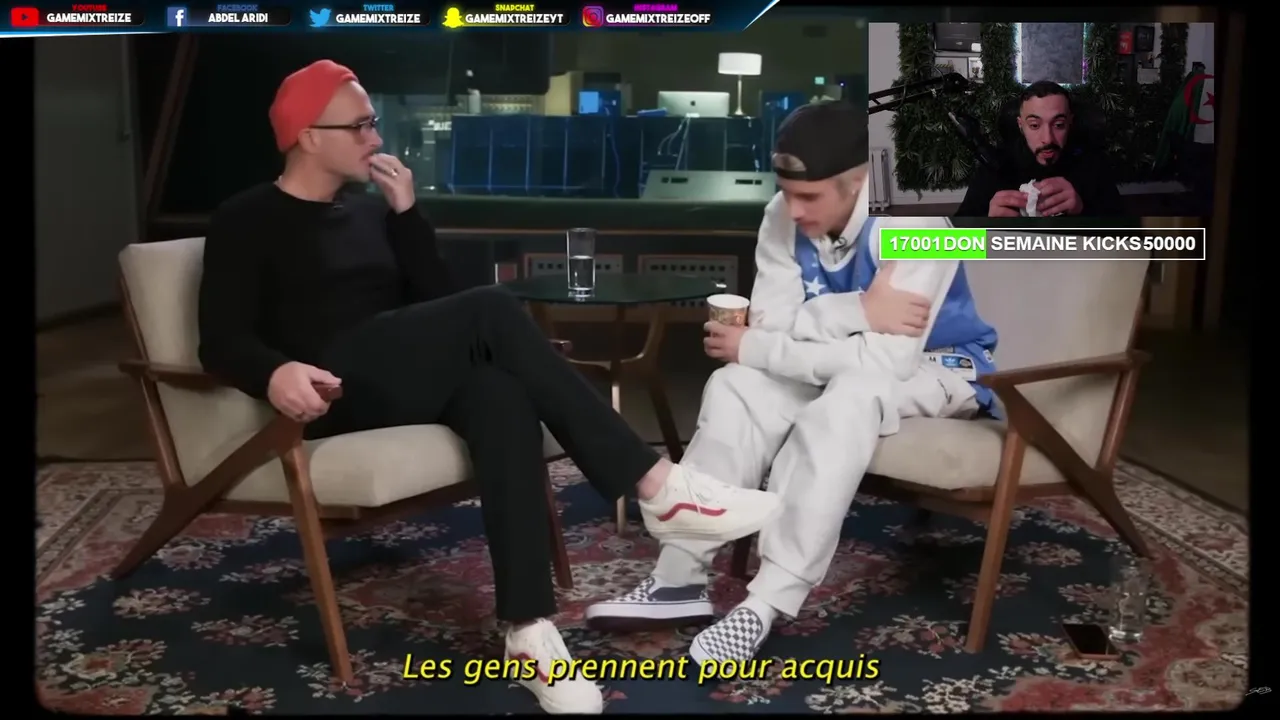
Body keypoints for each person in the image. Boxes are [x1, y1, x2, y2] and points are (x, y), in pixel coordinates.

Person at [196, 60, 782, 714]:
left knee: (499, 394)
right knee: (492, 308)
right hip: (331, 392)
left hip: (397, 378)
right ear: (307, 135)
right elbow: (219, 341)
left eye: (373, 122)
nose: (376, 137)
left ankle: (529, 631)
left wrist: (406, 217)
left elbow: (437, 307)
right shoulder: (245, 218)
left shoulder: (370, 213)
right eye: (359, 126)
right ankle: (656, 486)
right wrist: (275, 371)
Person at [585, 101, 1000, 666]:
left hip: (938, 365)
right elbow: (773, 326)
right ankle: (678, 578)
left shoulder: (921, 223)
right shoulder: (782, 213)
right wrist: (855, 309)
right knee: (736, 385)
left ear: (858, 183)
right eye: (787, 192)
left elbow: (883, 362)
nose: (794, 209)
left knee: (848, 399)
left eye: (810, 197)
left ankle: (767, 602)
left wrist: (761, 344)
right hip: (838, 357)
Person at [955, 80, 1124, 218]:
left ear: (1070, 122)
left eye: (1059, 125)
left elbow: (1124, 235)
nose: (1048, 139)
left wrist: (1083, 210)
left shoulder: (1092, 163)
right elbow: (952, 241)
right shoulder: (995, 166)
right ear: (1020, 125)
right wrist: (987, 223)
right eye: (1035, 125)